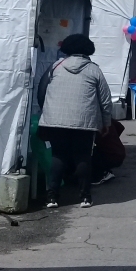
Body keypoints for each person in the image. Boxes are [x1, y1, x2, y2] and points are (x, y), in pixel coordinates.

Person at [37, 33, 113, 209]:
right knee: (83, 157)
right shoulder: (94, 70)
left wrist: (48, 112)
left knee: (58, 156)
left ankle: (52, 198)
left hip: (55, 121)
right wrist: (106, 123)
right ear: (88, 50)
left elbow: (41, 93)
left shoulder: (56, 66)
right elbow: (105, 100)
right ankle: (85, 198)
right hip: (84, 123)